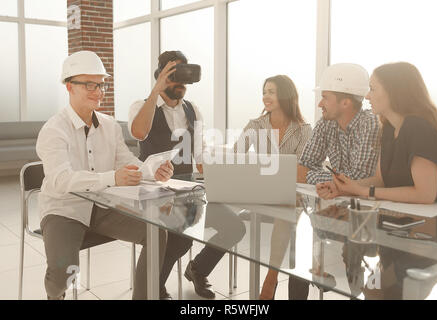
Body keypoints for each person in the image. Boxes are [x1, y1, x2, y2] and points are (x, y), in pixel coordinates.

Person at [36, 50, 174, 300]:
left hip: (103, 206)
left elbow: (127, 163)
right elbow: (61, 179)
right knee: (63, 274)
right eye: (89, 84)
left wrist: (153, 170)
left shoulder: (109, 125)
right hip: (64, 210)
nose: (98, 91)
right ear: (69, 87)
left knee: (156, 231)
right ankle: (55, 295)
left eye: (101, 84)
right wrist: (112, 178)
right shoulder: (54, 130)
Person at [129, 50, 245, 299]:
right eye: (174, 75)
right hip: (153, 192)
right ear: (160, 75)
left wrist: (225, 177)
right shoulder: (142, 105)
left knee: (234, 227)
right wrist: (157, 88)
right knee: (180, 237)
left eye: (185, 76)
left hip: (187, 192)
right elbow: (139, 132)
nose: (181, 82)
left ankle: (198, 269)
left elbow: (200, 155)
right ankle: (154, 288)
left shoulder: (193, 110)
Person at [290, 63, 380, 300]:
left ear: (345, 102)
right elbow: (302, 168)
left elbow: (357, 181)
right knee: (297, 244)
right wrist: (335, 181)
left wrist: (329, 180)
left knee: (348, 250)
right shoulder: (325, 123)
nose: (320, 104)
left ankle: (350, 287)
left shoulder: (369, 123)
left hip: (367, 216)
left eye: (325, 97)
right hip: (334, 208)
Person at [317, 62, 437, 203]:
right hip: (407, 217)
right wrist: (344, 188)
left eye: (372, 89)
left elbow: (425, 195)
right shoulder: (389, 129)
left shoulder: (418, 128)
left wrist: (362, 191)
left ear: (393, 92)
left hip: (436, 221)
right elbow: (380, 181)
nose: (367, 96)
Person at [232, 75, 312, 300]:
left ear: (286, 96)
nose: (265, 96)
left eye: (271, 92)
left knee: (296, 229)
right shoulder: (255, 125)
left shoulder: (304, 129)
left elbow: (301, 173)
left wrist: (271, 172)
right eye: (264, 91)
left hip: (293, 196)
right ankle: (272, 277)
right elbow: (236, 158)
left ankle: (271, 278)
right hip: (264, 193)